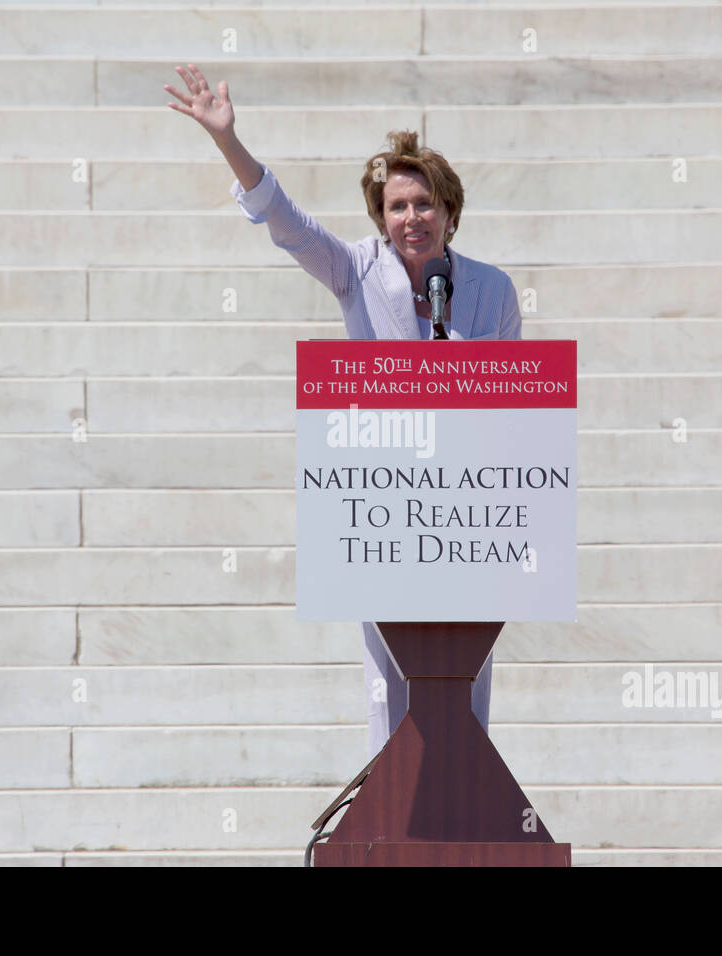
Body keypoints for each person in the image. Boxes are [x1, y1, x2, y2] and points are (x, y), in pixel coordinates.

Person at [166, 64, 523, 760]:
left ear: (449, 212)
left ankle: (468, 820)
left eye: (424, 204)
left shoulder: (491, 290)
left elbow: (513, 407)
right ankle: (388, 827)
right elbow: (287, 223)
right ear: (380, 218)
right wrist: (228, 142)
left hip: (467, 510)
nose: (411, 218)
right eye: (396, 207)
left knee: (466, 679)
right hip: (383, 500)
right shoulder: (355, 268)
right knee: (389, 685)